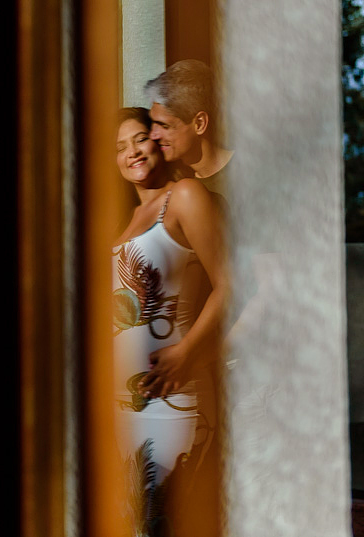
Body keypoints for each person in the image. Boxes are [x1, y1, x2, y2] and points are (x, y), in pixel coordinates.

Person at [112, 107, 229, 536]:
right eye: (120, 148)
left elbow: (231, 285)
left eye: (139, 138)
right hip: (119, 410)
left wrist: (187, 352)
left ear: (157, 141)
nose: (132, 152)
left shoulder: (183, 196)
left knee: (159, 525)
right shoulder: (120, 220)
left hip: (171, 401)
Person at [144, 60, 233, 200]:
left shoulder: (247, 175)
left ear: (199, 123)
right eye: (153, 123)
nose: (153, 135)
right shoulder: (169, 179)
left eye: (165, 126)